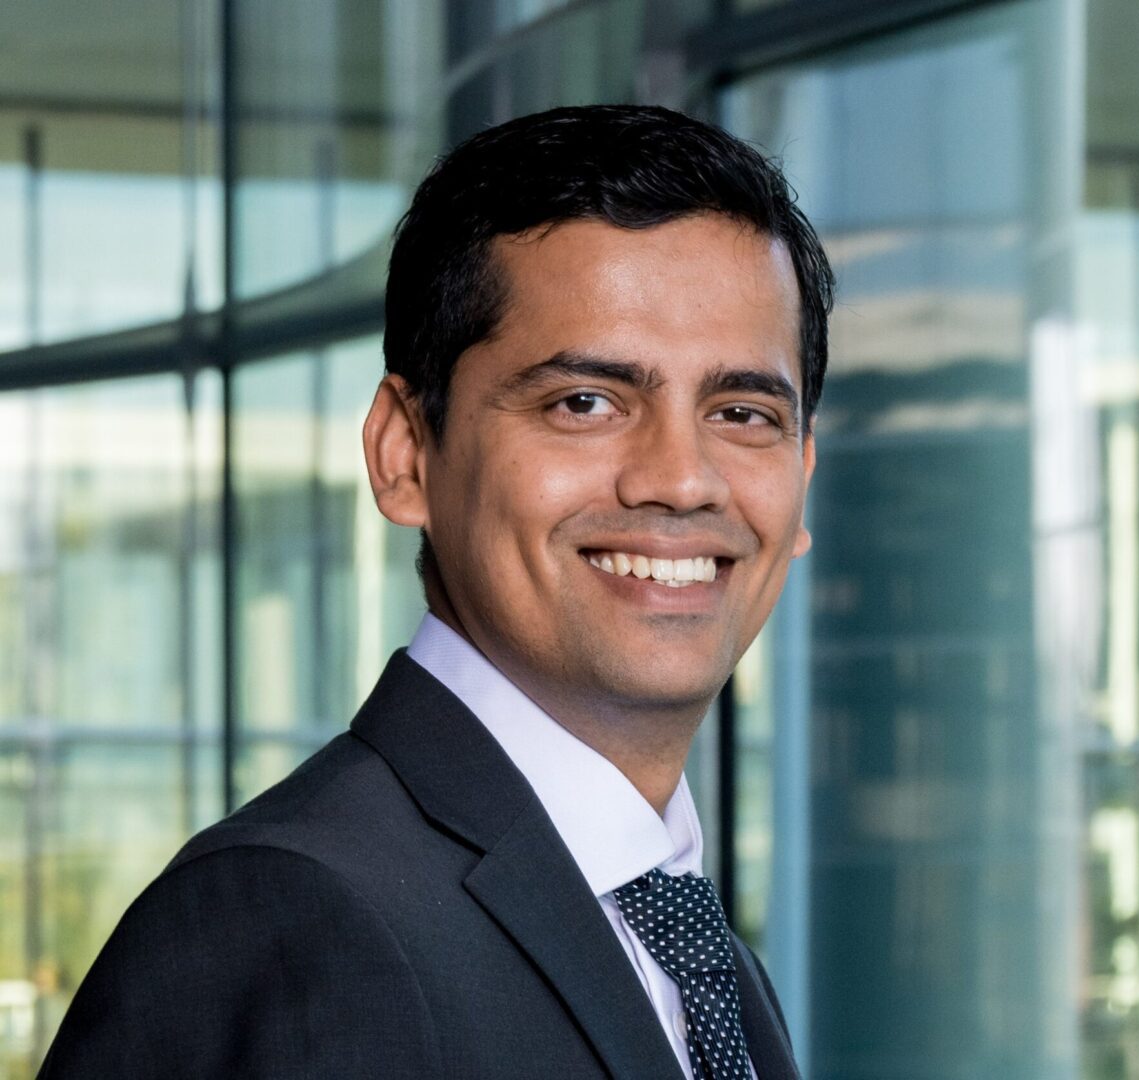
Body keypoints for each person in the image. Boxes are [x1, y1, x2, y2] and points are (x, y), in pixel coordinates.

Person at [38, 104, 833, 1079]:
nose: (680, 476)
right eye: (584, 402)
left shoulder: (691, 948)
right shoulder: (296, 926)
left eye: (742, 411)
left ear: (800, 481)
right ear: (405, 453)